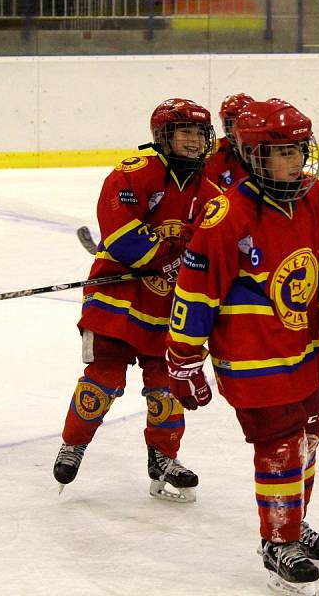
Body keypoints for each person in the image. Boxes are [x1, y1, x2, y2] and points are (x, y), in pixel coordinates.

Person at [165, 99, 319, 594]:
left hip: (302, 350)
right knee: (278, 445)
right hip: (251, 356)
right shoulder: (227, 214)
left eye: (300, 149)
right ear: (254, 156)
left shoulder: (317, 198)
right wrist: (184, 358)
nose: (296, 160)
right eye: (282, 152)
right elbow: (195, 291)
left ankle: (294, 522)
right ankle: (278, 543)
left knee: (309, 437)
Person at [52, 98, 222, 502]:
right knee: (103, 379)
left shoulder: (213, 191)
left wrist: (189, 264)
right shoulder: (135, 173)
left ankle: (163, 457)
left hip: (168, 306)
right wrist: (173, 257)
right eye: (185, 133)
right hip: (117, 292)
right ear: (163, 137)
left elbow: (216, 246)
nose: (195, 142)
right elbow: (123, 237)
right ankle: (74, 443)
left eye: (200, 134)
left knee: (166, 384)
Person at [203, 92, 254, 190]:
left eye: (242, 123)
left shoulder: (268, 151)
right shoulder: (212, 152)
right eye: (231, 123)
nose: (236, 130)